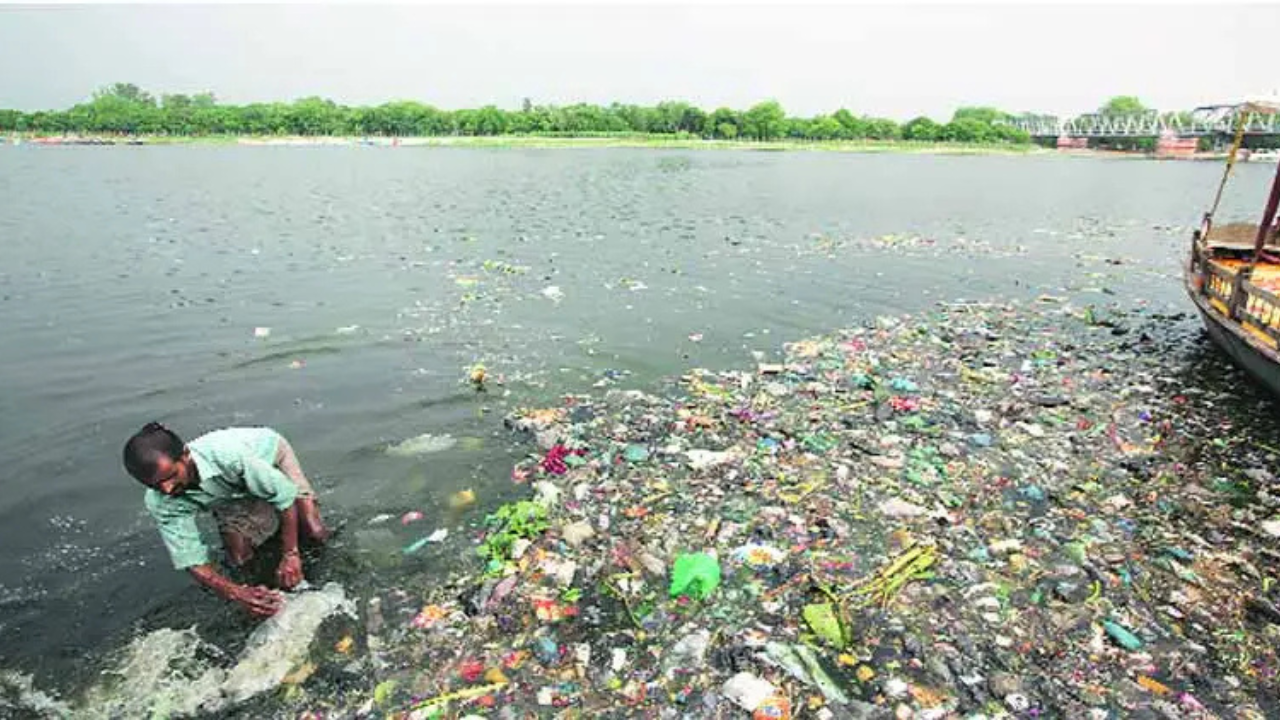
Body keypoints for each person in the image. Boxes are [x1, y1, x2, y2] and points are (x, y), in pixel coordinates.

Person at [122, 423, 331, 617]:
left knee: (313, 531)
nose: (167, 489)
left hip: (268, 456)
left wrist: (291, 554)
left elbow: (284, 498)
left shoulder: (228, 455)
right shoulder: (161, 500)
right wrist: (237, 593)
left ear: (185, 455)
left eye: (171, 476)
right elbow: (191, 559)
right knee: (239, 559)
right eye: (155, 485)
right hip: (226, 494)